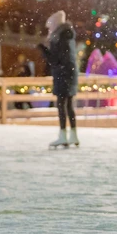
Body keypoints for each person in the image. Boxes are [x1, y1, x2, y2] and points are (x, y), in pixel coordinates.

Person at [38, 11, 79, 148]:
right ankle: (73, 135)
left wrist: (43, 50)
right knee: (69, 105)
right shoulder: (68, 36)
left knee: (61, 105)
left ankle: (63, 136)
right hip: (70, 73)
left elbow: (55, 60)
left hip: (62, 75)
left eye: (50, 27)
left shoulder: (59, 38)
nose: (49, 30)